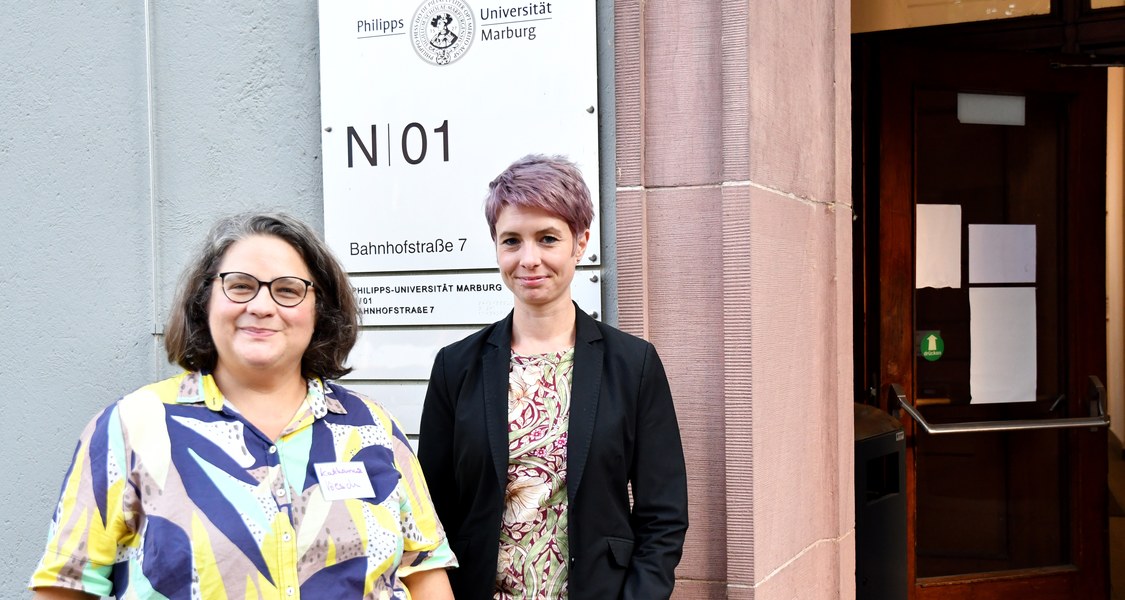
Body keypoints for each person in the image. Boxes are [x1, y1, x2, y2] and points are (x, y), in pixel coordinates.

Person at [29, 213, 456, 600]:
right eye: (240, 286)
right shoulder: (131, 427)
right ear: (204, 301)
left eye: (288, 290)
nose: (262, 306)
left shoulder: (371, 426)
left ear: (319, 310)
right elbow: (65, 588)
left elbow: (424, 572)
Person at [418, 155, 689, 599]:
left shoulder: (632, 364)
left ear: (580, 243)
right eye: (511, 241)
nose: (529, 260)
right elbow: (430, 510)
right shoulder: (456, 366)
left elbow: (663, 515)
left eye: (547, 239)